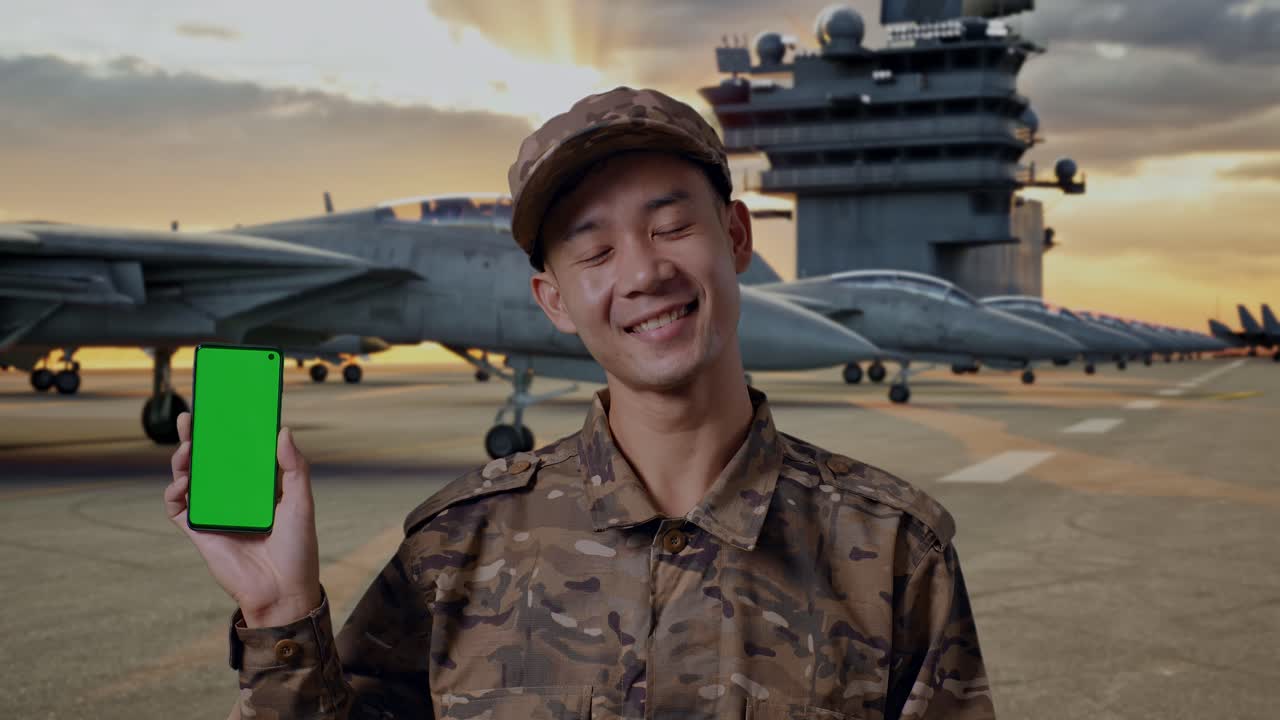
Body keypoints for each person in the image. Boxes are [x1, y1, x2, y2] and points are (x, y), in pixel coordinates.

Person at [165, 86, 995, 719]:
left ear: (736, 238)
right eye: (593, 248)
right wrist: (279, 614)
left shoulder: (893, 551)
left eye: (672, 226)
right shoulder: (453, 550)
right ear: (553, 298)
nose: (641, 272)